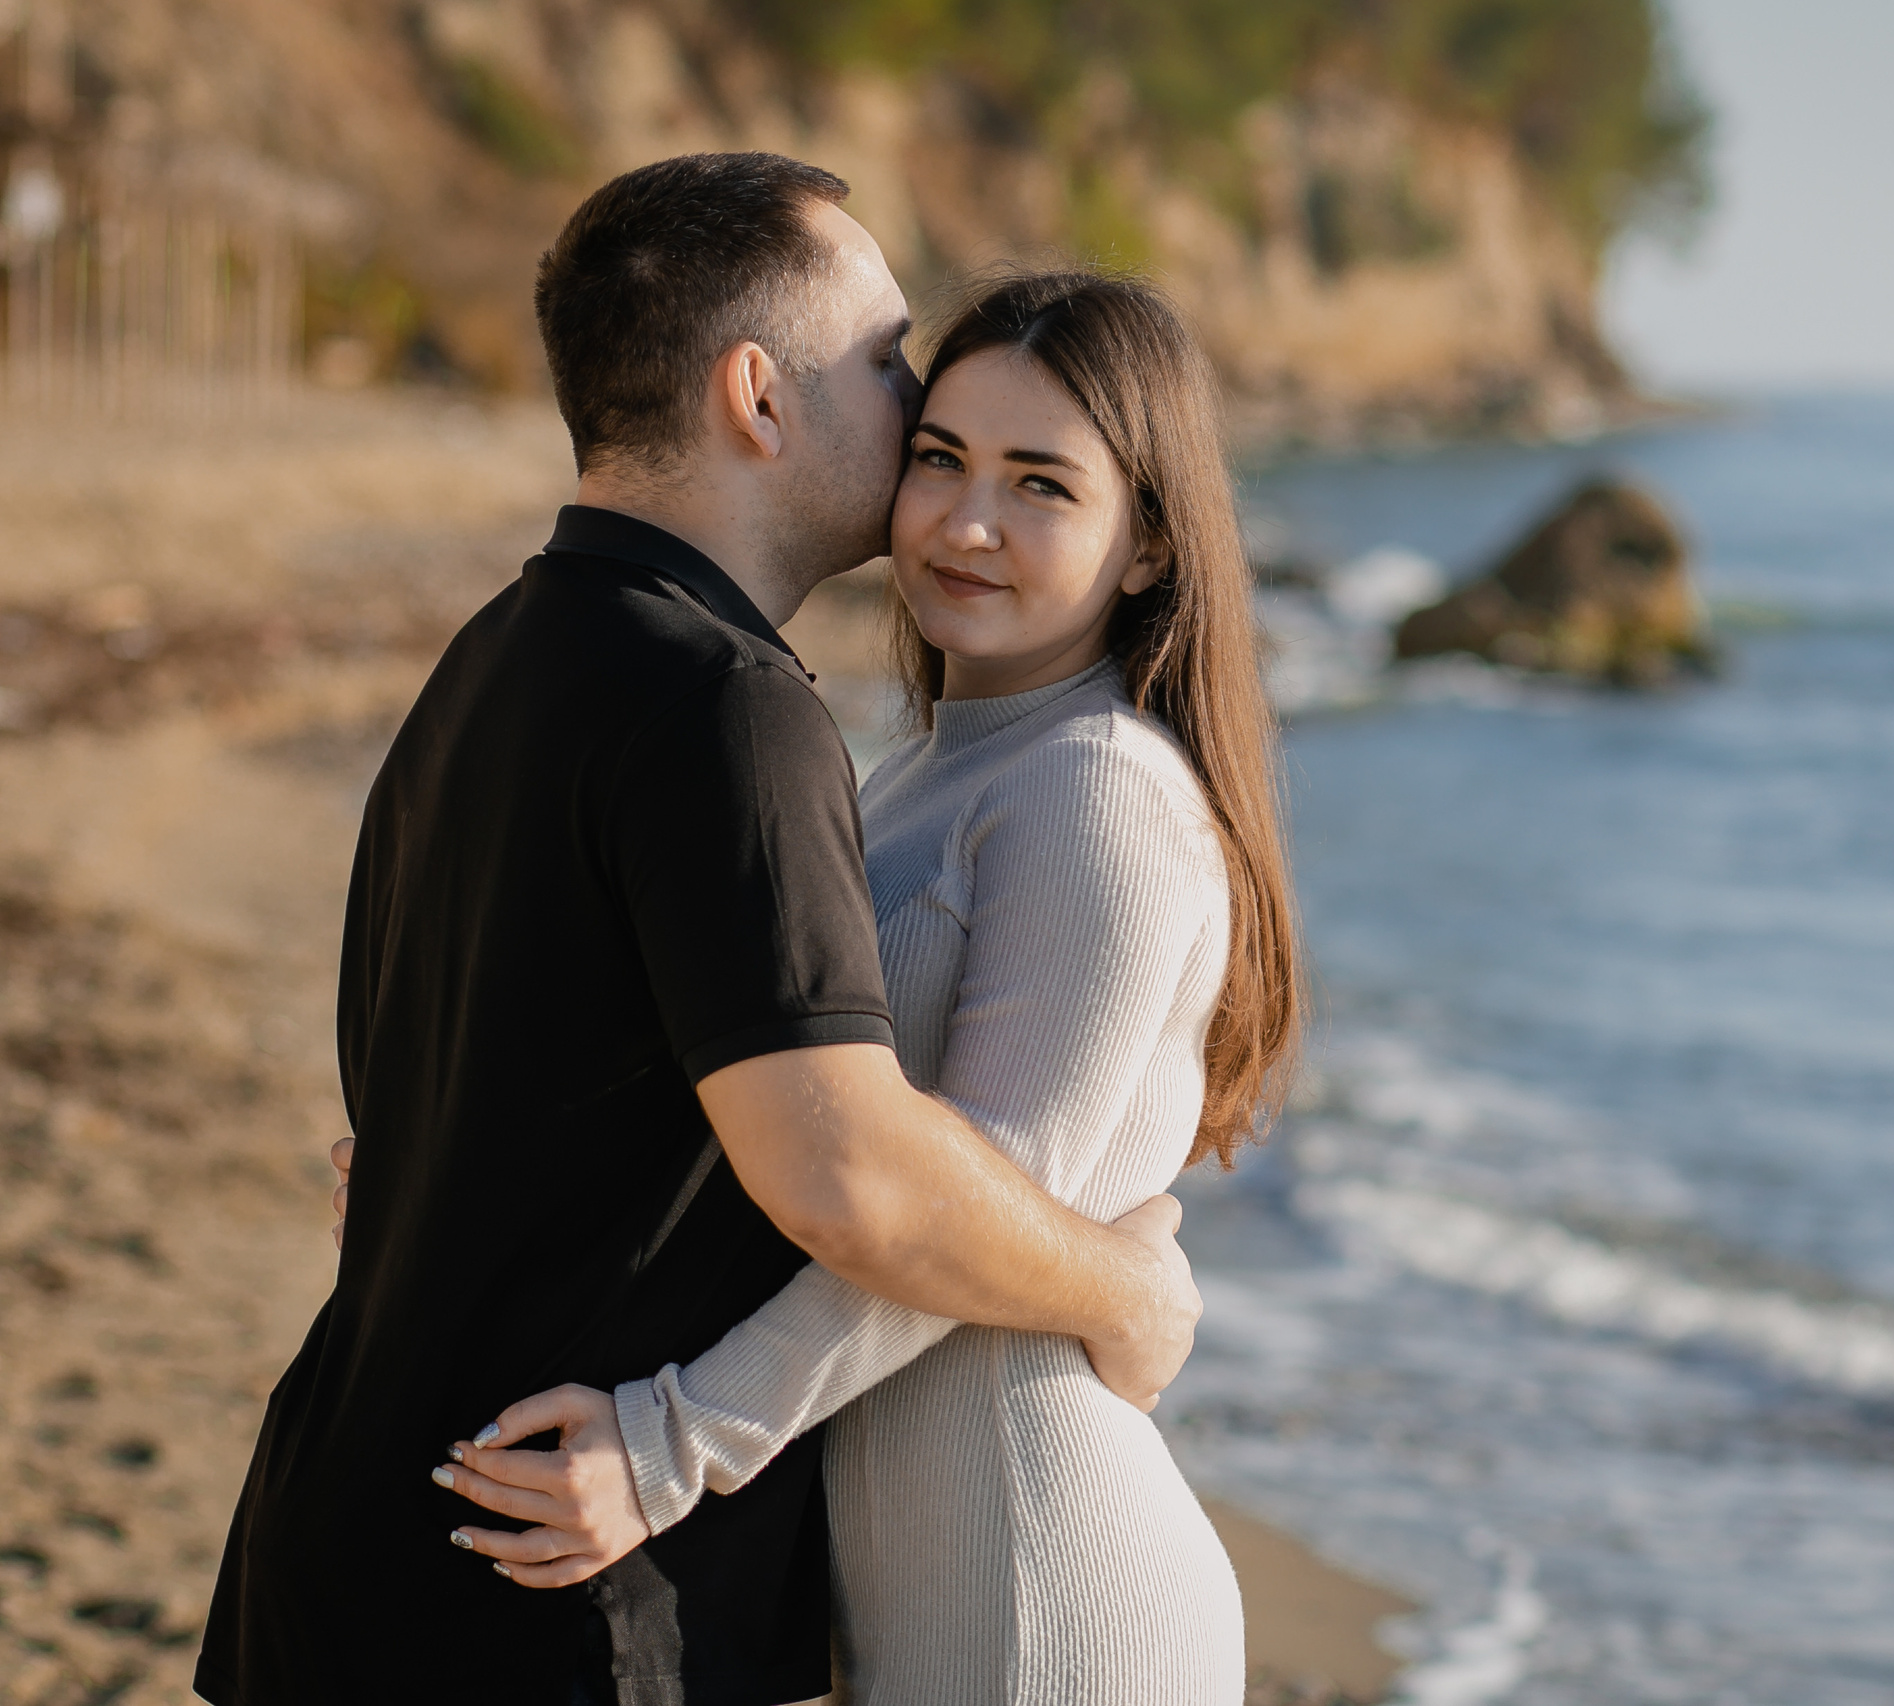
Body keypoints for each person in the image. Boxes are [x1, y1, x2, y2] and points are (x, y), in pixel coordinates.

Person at [196, 156, 1205, 1706]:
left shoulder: (499, 657)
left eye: (1042, 479)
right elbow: (852, 1173)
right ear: (758, 395)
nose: (940, 472)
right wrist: (1125, 1289)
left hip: (396, 1537)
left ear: (1147, 538)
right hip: (538, 1580)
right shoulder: (731, 710)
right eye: (899, 385)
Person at [441, 268, 1300, 1702]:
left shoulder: (1101, 796)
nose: (968, 523)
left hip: (1042, 1586)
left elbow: (949, 1214)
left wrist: (670, 1444)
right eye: (944, 460)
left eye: (1042, 485)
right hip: (909, 1578)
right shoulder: (914, 773)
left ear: (1149, 543)